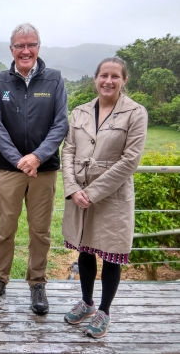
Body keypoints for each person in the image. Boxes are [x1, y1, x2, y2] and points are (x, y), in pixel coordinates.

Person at [0, 23, 68, 314]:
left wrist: (38, 157)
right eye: (20, 45)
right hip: (10, 169)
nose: (26, 50)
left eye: (31, 44)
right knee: (5, 228)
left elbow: (60, 125)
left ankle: (37, 283)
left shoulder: (54, 80)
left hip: (44, 170)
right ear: (12, 50)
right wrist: (20, 159)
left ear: (38, 48)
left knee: (40, 231)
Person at [62, 57, 147, 338]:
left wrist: (93, 192)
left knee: (111, 254)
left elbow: (130, 160)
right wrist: (73, 188)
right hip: (80, 195)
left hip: (113, 196)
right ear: (95, 78)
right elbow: (68, 151)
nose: (108, 81)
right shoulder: (80, 112)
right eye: (103, 75)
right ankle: (86, 302)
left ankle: (104, 311)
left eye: (115, 76)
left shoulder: (136, 113)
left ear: (124, 80)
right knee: (85, 250)